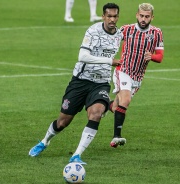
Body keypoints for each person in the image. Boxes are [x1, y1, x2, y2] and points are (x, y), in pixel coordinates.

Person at [29, 3, 122, 165]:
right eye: (109, 16)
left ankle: (77, 155)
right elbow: (82, 56)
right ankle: (44, 141)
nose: (112, 19)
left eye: (115, 16)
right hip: (80, 81)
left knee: (96, 113)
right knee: (63, 121)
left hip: (101, 83)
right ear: (103, 16)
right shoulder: (93, 31)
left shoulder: (120, 34)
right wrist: (110, 61)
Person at [109, 3, 164, 148]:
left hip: (138, 77)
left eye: (147, 16)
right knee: (125, 101)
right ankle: (116, 137)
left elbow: (160, 57)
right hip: (123, 70)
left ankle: (102, 104)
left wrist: (151, 56)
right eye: (141, 16)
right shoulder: (127, 29)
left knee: (117, 107)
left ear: (152, 17)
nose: (143, 19)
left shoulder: (157, 33)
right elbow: (111, 42)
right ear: (137, 15)